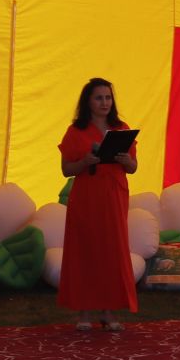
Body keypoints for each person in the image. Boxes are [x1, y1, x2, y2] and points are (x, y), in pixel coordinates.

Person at [58, 78, 139, 332]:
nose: (104, 103)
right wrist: (84, 161)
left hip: (113, 196)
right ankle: (84, 312)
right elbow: (66, 170)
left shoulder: (121, 128)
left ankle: (108, 311)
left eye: (108, 97)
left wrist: (126, 160)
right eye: (99, 98)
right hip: (86, 196)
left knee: (111, 251)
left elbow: (133, 168)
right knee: (85, 250)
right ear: (88, 102)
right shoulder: (76, 131)